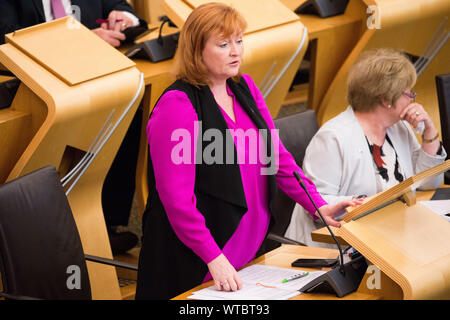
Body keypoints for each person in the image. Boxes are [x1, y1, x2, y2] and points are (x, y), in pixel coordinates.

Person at [135, 2, 362, 300]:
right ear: (196, 50)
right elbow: (177, 200)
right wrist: (212, 256)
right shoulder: (177, 106)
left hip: (249, 252)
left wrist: (316, 205)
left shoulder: (245, 88)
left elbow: (277, 158)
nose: (236, 51)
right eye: (224, 44)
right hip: (200, 260)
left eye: (239, 41)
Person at [0, 0, 147, 253]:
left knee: (128, 104)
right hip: (33, 84)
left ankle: (104, 223)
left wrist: (122, 17)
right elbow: (5, 39)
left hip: (91, 76)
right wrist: (79, 43)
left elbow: (127, 10)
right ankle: (34, 238)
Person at [285, 48, 447, 246]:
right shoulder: (333, 137)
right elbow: (317, 203)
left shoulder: (399, 127)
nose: (413, 97)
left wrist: (429, 131)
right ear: (386, 98)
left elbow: (428, 183)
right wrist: (367, 202)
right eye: (408, 92)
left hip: (386, 235)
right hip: (332, 250)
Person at [0, 0, 147, 46]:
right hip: (39, 79)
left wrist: (124, 19)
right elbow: (8, 37)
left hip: (98, 67)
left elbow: (119, 5)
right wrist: (81, 41)